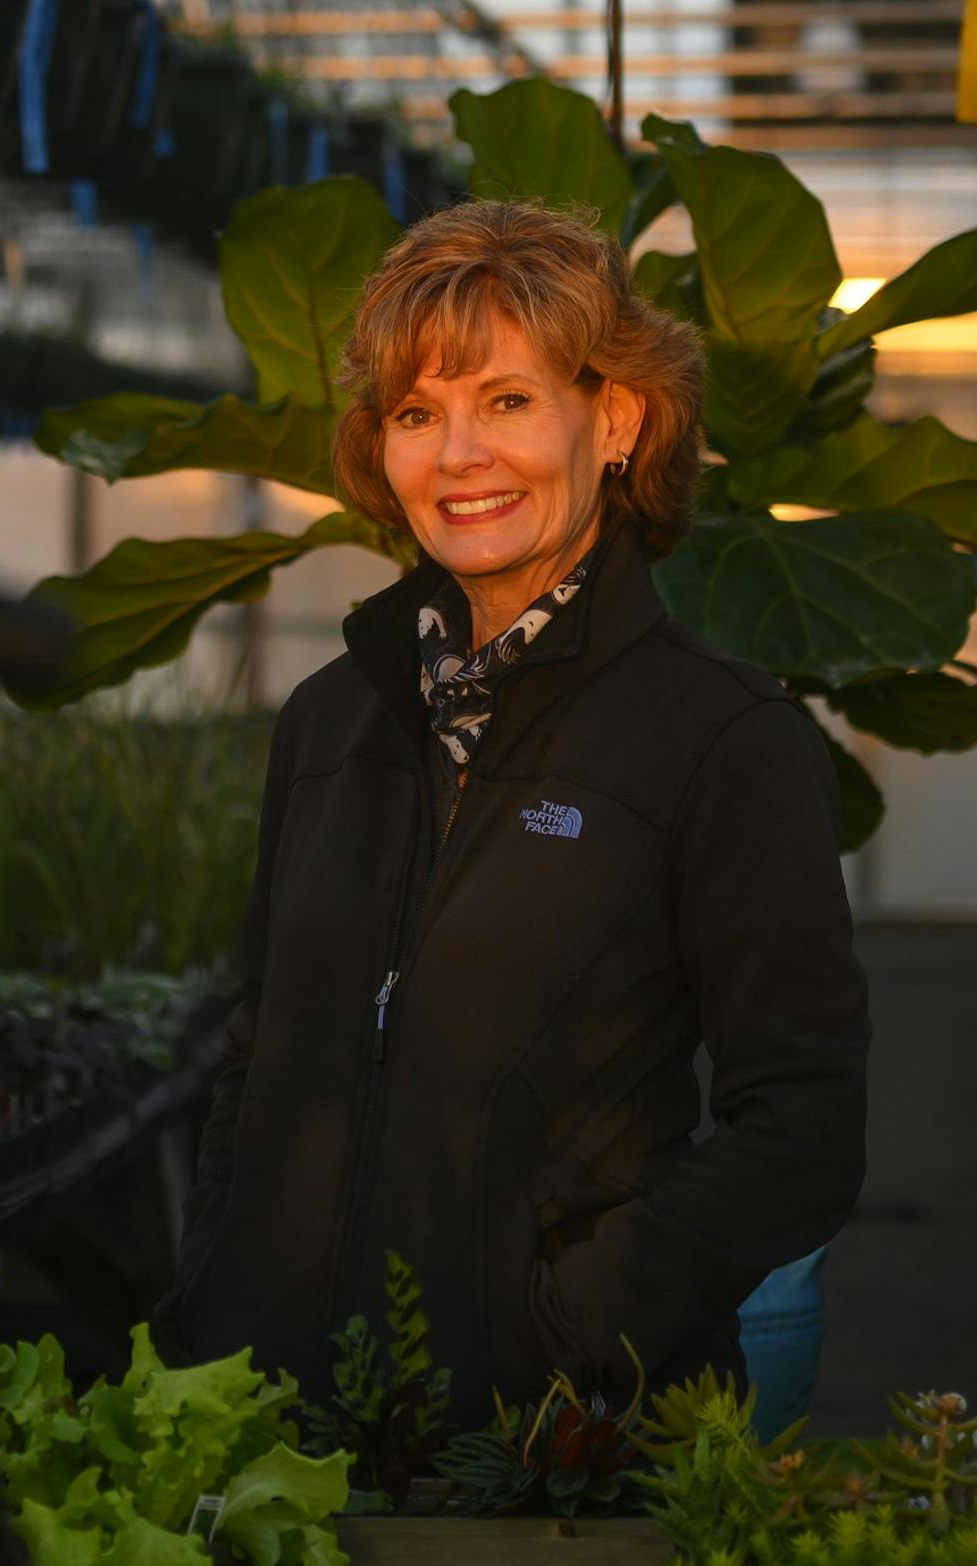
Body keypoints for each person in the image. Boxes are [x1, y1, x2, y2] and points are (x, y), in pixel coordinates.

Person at [150, 200, 870, 1427]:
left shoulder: (719, 737)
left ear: (619, 419)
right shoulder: (331, 723)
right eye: (418, 415)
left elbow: (802, 1123)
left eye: (508, 401)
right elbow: (252, 1052)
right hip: (283, 1429)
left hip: (545, 1454)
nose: (459, 456)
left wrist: (570, 1326)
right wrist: (220, 1291)